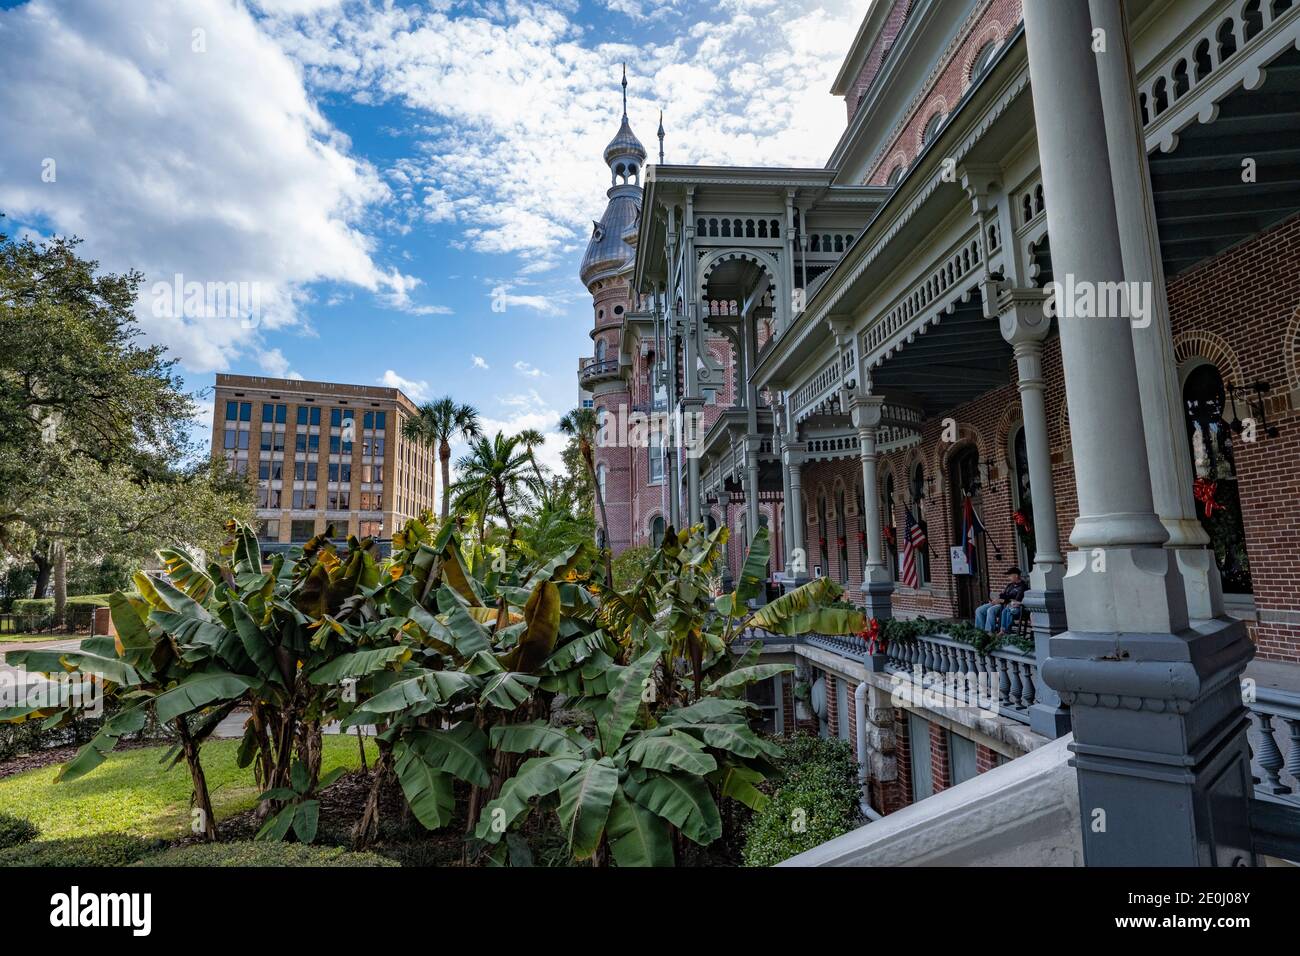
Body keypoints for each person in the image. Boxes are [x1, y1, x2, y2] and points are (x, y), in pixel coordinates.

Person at [974, 567, 1027, 635]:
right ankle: (980, 632)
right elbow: (1003, 595)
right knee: (979, 610)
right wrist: (995, 599)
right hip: (999, 602)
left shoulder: (1022, 587)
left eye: (1010, 575)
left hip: (1005, 605)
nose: (1008, 577)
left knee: (990, 610)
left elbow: (1016, 601)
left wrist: (1001, 600)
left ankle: (989, 633)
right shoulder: (1010, 585)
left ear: (1016, 575)